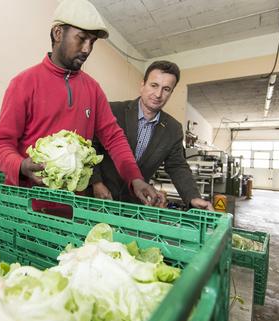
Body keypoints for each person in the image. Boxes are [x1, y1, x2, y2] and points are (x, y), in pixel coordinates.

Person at [0, 0, 161, 208]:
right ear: (58, 33)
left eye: (92, 42)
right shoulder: (24, 83)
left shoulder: (93, 89)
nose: (87, 49)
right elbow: (0, 145)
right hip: (26, 206)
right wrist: (20, 166)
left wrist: (135, 178)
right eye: (81, 39)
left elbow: (114, 138)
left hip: (73, 208)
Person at [90, 61, 214, 211]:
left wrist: (193, 197)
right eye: (154, 85)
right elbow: (91, 146)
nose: (158, 94)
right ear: (142, 85)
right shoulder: (113, 110)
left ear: (171, 92)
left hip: (134, 204)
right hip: (97, 196)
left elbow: (177, 166)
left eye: (166, 89)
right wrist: (96, 182)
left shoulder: (173, 129)